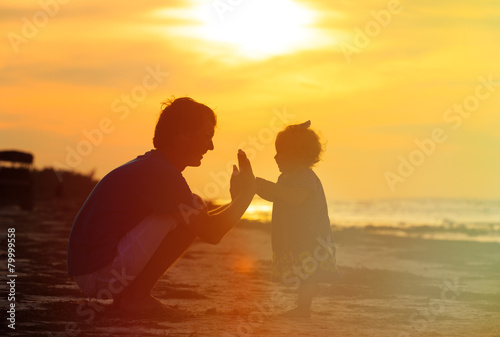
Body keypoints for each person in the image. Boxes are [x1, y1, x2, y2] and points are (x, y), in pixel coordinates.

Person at [67, 97, 256, 313]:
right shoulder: (161, 173)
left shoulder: (154, 166)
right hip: (99, 272)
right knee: (190, 209)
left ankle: (133, 296)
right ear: (182, 135)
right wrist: (245, 196)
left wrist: (237, 200)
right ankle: (136, 298)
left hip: (93, 270)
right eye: (207, 136)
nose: (211, 146)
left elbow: (205, 224)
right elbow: (211, 232)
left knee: (193, 207)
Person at [256, 121, 340, 318]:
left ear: (299, 155)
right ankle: (305, 301)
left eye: (281, 152)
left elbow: (295, 197)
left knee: (308, 273)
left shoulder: (305, 176)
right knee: (304, 274)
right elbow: (278, 196)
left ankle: (304, 309)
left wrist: (267, 186)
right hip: (296, 236)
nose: (275, 156)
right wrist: (255, 187)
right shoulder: (286, 177)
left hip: (311, 238)